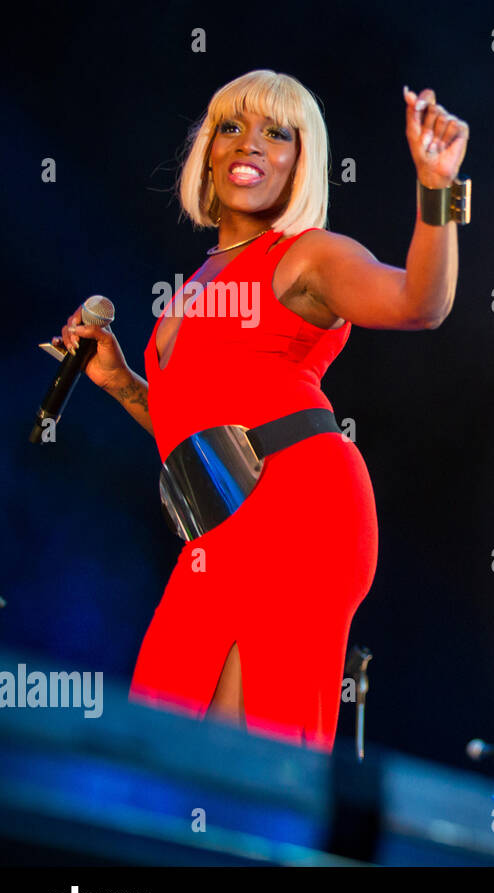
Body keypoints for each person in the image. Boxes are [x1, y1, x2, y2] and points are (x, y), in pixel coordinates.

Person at [51, 69, 469, 750]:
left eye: (279, 134)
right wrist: (126, 384)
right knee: (168, 730)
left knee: (240, 757)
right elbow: (199, 441)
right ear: (208, 152)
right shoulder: (196, 282)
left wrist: (437, 187)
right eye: (233, 127)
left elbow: (422, 303)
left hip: (298, 503)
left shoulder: (307, 254)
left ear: (301, 163)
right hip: (217, 518)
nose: (252, 144)